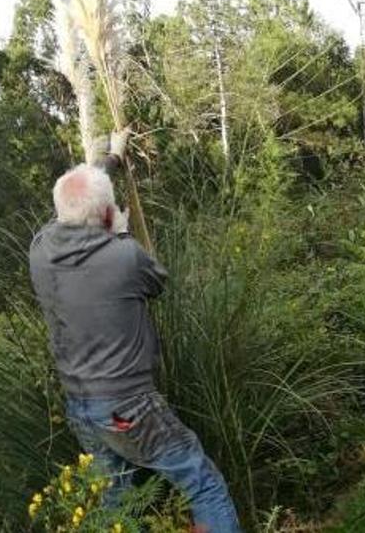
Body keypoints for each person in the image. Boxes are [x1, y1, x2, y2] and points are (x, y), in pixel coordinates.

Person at [29, 162, 242, 533]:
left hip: (80, 407)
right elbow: (157, 282)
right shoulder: (125, 256)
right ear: (110, 214)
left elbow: (67, 211)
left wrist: (106, 160)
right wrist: (123, 234)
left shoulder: (39, 251)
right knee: (203, 484)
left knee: (118, 500)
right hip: (128, 405)